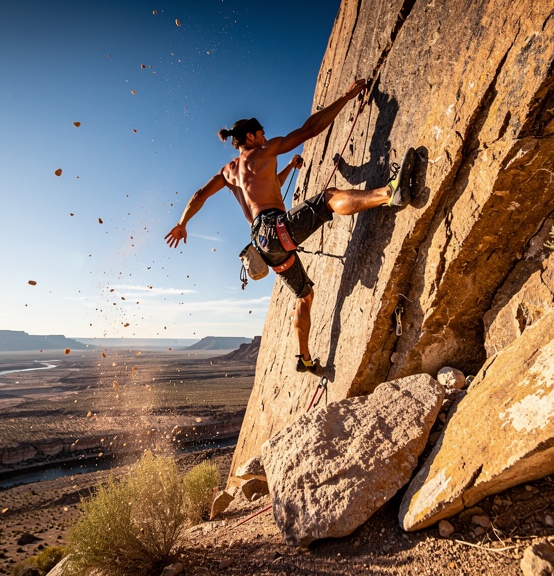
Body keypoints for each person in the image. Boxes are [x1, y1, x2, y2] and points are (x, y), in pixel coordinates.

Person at [165, 78, 414, 373]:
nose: (265, 135)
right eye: (261, 132)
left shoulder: (229, 172)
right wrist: (347, 97)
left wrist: (182, 223)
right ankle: (388, 194)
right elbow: (310, 129)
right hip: (276, 228)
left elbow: (205, 194)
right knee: (329, 198)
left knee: (305, 295)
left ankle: (305, 358)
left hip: (264, 246)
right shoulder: (264, 151)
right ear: (251, 136)